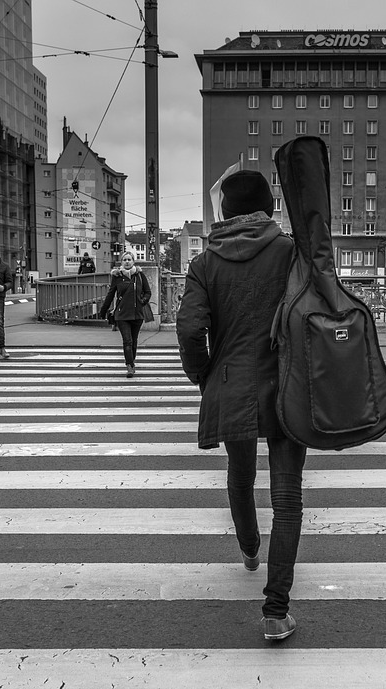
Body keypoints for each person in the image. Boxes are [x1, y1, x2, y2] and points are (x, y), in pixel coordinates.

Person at [176, 170, 304, 642]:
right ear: (268, 208)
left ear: (225, 212)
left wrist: (204, 375)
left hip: (230, 382)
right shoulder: (291, 252)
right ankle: (276, 610)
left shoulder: (206, 262)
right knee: (288, 499)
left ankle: (250, 549)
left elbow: (190, 329)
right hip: (287, 385)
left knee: (240, 475)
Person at [99, 251, 152, 378]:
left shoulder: (139, 275)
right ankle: (129, 365)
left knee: (133, 341)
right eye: (125, 260)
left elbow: (147, 292)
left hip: (137, 314)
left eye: (129, 259)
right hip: (122, 314)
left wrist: (142, 301)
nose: (127, 261)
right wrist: (103, 309)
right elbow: (111, 294)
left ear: (133, 261)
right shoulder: (117, 277)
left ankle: (131, 363)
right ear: (121, 262)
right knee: (127, 341)